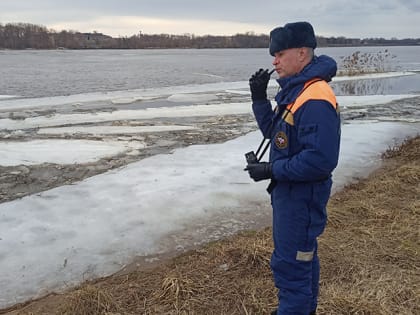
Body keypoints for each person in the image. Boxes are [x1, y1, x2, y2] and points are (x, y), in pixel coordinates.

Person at [245, 21, 341, 315]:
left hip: (302, 197)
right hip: (290, 194)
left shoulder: (315, 97)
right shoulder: (297, 91)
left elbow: (320, 160)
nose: (274, 61)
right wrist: (259, 99)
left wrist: (273, 170)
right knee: (301, 258)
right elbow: (275, 134)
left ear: (302, 53)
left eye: (279, 53)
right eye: (273, 55)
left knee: (291, 264)